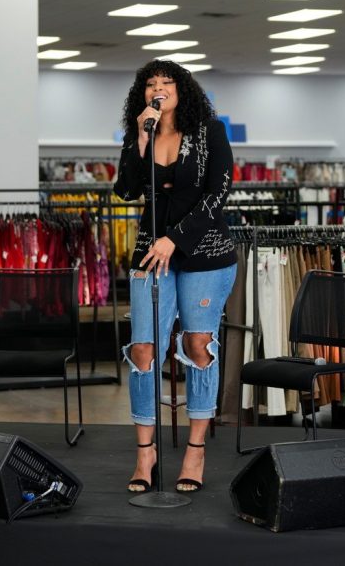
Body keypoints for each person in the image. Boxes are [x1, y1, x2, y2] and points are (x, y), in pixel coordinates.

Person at [114, 60, 238, 494]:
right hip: (151, 252)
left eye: (167, 82)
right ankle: (145, 452)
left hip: (204, 252)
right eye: (150, 84)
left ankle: (195, 450)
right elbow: (126, 189)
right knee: (144, 349)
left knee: (196, 344)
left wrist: (177, 238)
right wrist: (141, 138)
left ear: (182, 89)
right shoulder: (142, 132)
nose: (158, 89)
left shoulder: (210, 131)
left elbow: (218, 193)